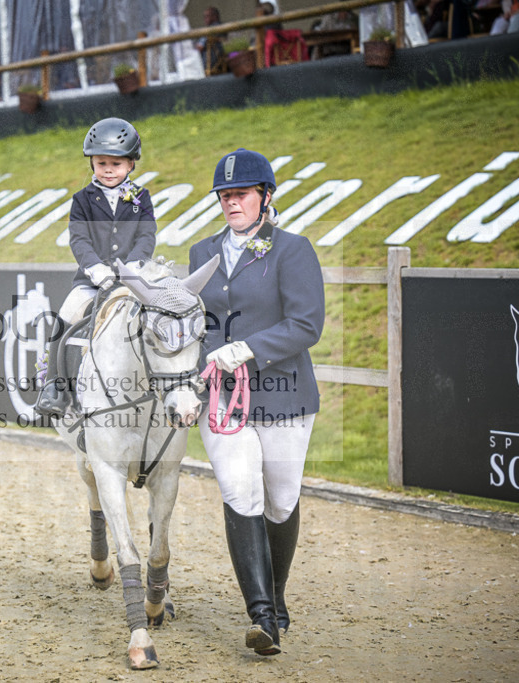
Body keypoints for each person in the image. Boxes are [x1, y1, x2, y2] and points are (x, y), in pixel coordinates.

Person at [187, 149, 325, 656]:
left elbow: (307, 323)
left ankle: (278, 597)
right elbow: (193, 325)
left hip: (284, 392)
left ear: (266, 197)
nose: (230, 203)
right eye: (224, 196)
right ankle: (262, 616)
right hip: (222, 399)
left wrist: (248, 348)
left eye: (240, 194)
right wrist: (194, 377)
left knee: (280, 499)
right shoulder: (202, 251)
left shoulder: (292, 250)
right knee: (239, 489)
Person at [34, 117, 157, 417]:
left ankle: (164, 384)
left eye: (116, 163)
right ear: (92, 165)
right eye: (102, 163)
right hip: (92, 281)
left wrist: (133, 266)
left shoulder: (141, 199)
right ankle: (55, 386)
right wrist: (95, 269)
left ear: (131, 165)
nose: (109, 170)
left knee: (159, 318)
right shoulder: (82, 200)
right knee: (63, 317)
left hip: (133, 279)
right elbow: (79, 239)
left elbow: (147, 235)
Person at [195, 6, 228, 75]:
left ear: (214, 16)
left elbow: (199, 47)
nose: (205, 19)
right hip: (221, 62)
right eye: (204, 17)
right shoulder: (223, 27)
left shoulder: (211, 29)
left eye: (207, 16)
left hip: (210, 63)